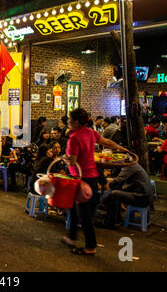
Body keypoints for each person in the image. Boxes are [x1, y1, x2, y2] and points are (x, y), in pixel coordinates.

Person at [62, 108, 129, 256]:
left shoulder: (74, 138)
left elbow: (72, 161)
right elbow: (106, 142)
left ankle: (90, 246)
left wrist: (65, 158)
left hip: (81, 179)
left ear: (77, 122)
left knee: (84, 215)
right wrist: (120, 148)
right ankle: (71, 237)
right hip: (92, 178)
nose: (68, 121)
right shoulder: (90, 132)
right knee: (73, 208)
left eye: (70, 119)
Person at [100, 162, 153, 229]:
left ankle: (110, 223)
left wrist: (105, 184)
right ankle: (116, 219)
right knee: (115, 191)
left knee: (114, 194)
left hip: (142, 198)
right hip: (143, 195)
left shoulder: (130, 166)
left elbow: (117, 180)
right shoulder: (134, 165)